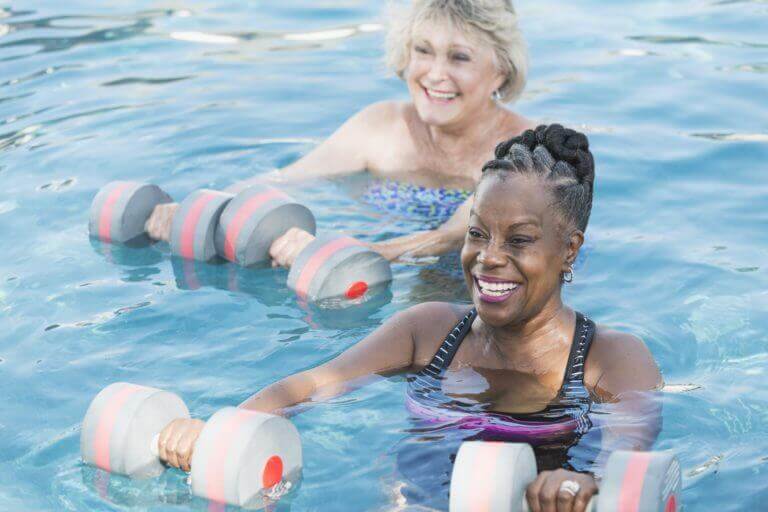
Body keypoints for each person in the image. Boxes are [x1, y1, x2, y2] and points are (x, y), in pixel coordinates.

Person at [156, 125, 663, 512]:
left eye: (519, 240)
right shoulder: (428, 330)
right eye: (477, 233)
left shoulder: (610, 358)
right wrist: (223, 427)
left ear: (569, 250)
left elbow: (627, 449)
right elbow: (313, 384)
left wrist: (579, 482)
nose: (488, 257)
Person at [145, 0, 534, 263]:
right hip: (382, 254)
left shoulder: (522, 151)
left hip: (475, 274)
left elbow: (453, 237)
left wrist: (344, 252)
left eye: (459, 57)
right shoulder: (380, 125)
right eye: (423, 51)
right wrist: (195, 209)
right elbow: (288, 178)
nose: (434, 74)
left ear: (500, 69)